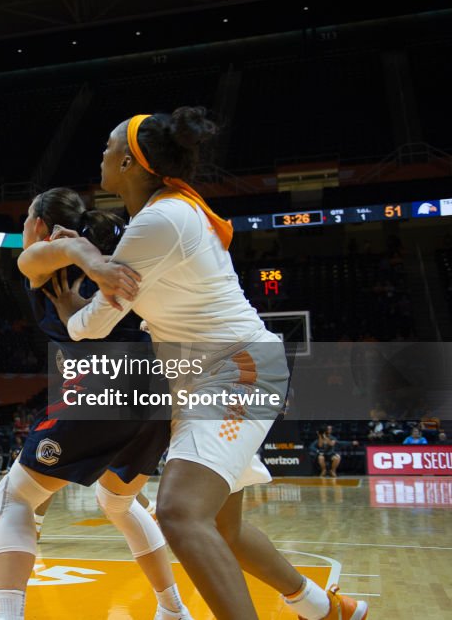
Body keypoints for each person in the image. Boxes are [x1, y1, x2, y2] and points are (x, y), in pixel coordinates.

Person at [47, 108, 367, 620]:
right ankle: (327, 609)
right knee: (223, 528)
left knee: (178, 513)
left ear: (130, 161)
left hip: (234, 372)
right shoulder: (161, 216)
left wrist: (72, 292)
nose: (101, 154)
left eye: (108, 146)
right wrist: (85, 269)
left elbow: (93, 326)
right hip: (207, 379)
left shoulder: (159, 221)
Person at [0, 188, 190, 620]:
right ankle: (173, 609)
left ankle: (8, 615)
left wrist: (82, 259)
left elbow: (49, 253)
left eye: (27, 217)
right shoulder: (121, 256)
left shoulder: (43, 259)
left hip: (108, 382)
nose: (25, 226)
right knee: (118, 502)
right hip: (156, 389)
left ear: (41, 225)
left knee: (12, 499)